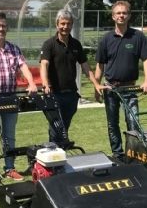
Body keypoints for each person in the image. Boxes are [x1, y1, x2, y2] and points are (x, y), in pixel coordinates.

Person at [0, 12, 37, 185]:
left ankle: (9, 168)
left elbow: (23, 67)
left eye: (3, 26)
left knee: (9, 135)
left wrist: (32, 83)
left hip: (10, 97)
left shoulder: (14, 49)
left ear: (7, 27)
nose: (0, 29)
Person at [95, 0, 147, 161]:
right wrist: (96, 86)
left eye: (124, 13)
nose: (121, 15)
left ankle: (134, 154)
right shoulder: (106, 39)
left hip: (130, 89)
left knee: (133, 122)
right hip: (110, 88)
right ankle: (117, 154)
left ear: (129, 16)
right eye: (118, 13)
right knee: (112, 123)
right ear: (113, 16)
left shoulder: (138, 36)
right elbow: (100, 65)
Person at [40, 9, 104, 143]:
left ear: (72, 25)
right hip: (54, 94)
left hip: (71, 94)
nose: (65, 27)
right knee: (56, 129)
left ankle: (60, 150)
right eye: (62, 23)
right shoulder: (49, 44)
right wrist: (45, 84)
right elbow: (44, 64)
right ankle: (55, 152)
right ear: (57, 25)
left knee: (64, 127)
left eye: (68, 24)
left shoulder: (76, 44)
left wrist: (96, 84)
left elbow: (85, 66)